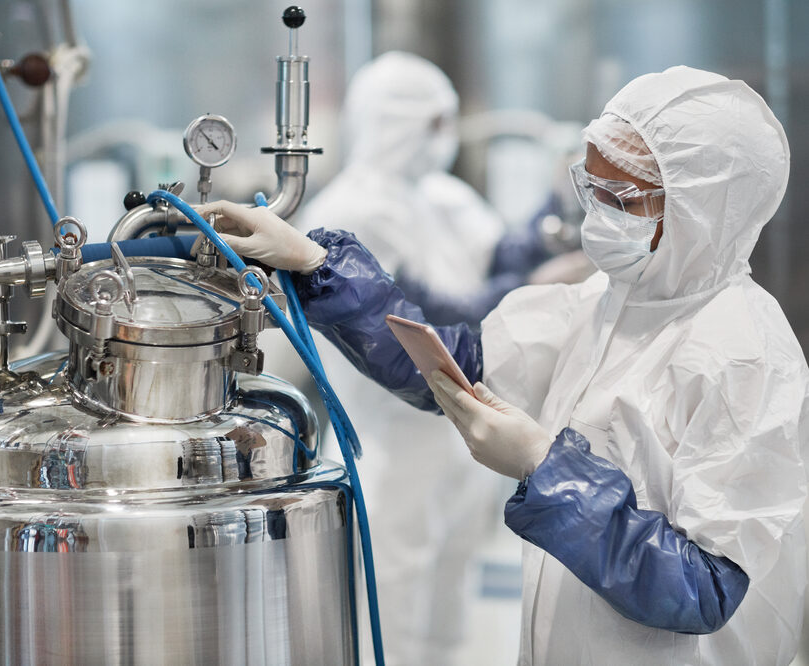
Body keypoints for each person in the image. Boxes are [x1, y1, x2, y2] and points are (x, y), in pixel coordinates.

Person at [199, 65, 809, 665]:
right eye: (588, 188)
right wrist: (314, 264)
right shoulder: (605, 303)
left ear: (702, 211)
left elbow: (705, 589)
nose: (597, 215)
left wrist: (548, 471)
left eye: (619, 199)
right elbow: (454, 363)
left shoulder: (744, 357)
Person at [292, 51, 556, 664]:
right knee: (391, 612)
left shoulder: (436, 195)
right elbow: (418, 320)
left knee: (447, 609)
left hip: (453, 441)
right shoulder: (352, 210)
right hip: (388, 442)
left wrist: (553, 215)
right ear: (398, 122)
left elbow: (502, 261)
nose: (445, 139)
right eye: (435, 123)